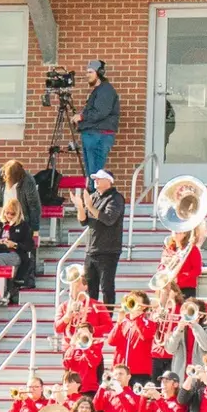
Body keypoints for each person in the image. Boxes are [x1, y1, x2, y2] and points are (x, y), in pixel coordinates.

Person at [72, 169, 125, 305]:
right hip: (91, 250)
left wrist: (89, 207)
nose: (96, 181)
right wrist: (80, 207)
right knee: (90, 287)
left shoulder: (116, 198)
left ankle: (108, 315)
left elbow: (108, 219)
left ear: (108, 181)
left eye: (99, 178)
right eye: (95, 179)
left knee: (106, 287)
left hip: (108, 250)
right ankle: (91, 314)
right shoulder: (94, 197)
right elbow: (83, 221)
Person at [74, 59, 120, 176]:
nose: (87, 75)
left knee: (95, 174)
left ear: (99, 73)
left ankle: (94, 188)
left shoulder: (105, 90)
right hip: (94, 134)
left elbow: (100, 112)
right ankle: (92, 188)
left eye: (90, 72)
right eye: (87, 72)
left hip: (98, 135)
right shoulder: (99, 90)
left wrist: (82, 116)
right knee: (92, 173)